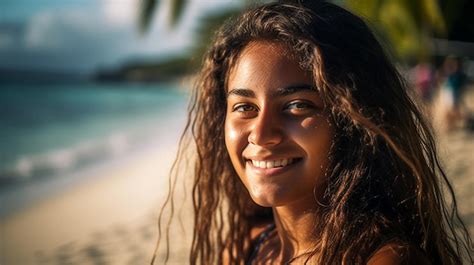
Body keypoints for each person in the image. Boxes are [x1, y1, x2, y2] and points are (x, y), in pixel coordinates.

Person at [152, 1, 473, 264]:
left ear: (353, 121)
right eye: (244, 107)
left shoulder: (384, 260)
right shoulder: (246, 250)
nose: (262, 134)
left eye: (296, 105)